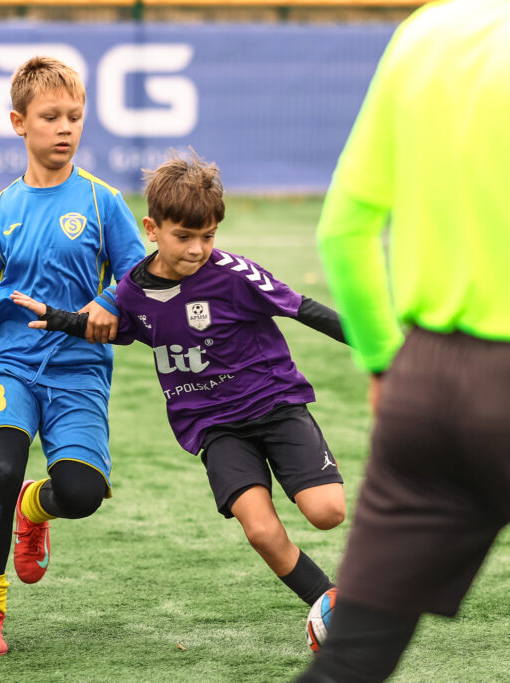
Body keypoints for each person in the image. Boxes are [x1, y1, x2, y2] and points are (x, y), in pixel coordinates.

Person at [11, 150, 348, 612]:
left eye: (207, 236)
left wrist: (381, 348)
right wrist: (58, 318)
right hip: (214, 426)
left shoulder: (234, 275)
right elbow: (107, 327)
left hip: (276, 406)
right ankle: (326, 602)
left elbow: (303, 308)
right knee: (261, 531)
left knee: (328, 513)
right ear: (152, 230)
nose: (196, 249)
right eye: (183, 236)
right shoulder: (130, 291)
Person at [297, 1, 510, 680]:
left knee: (351, 657)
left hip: (422, 388)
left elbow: (343, 231)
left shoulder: (425, 33)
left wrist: (385, 365)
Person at [0, 56, 146, 656]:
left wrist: (107, 303)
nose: (65, 127)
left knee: (82, 494)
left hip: (78, 369)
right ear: (19, 123)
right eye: (50, 117)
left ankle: (34, 507)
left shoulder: (103, 202)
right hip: (7, 362)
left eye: (75, 116)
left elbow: (136, 279)